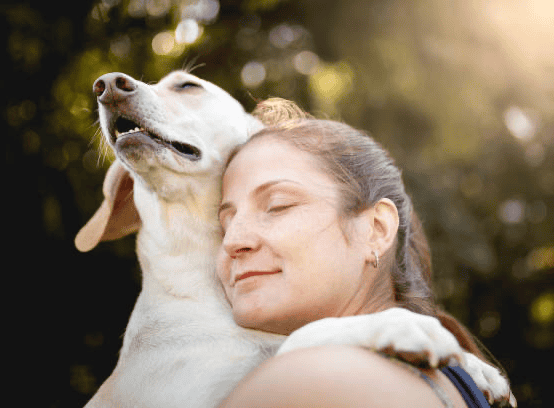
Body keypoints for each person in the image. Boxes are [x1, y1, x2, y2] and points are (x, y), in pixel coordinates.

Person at [215, 99, 502, 407]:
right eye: (223, 225)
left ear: (376, 229)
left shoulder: (306, 384)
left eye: (278, 206)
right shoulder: (459, 381)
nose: (233, 241)